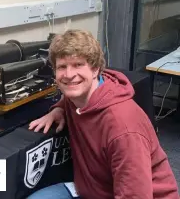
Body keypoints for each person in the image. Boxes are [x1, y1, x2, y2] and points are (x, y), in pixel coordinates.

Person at [28, 29, 179, 199]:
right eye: (62, 67)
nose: (69, 75)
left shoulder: (123, 127)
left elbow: (135, 195)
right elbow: (69, 99)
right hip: (95, 188)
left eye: (78, 64)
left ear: (95, 69)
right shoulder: (80, 95)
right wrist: (58, 109)